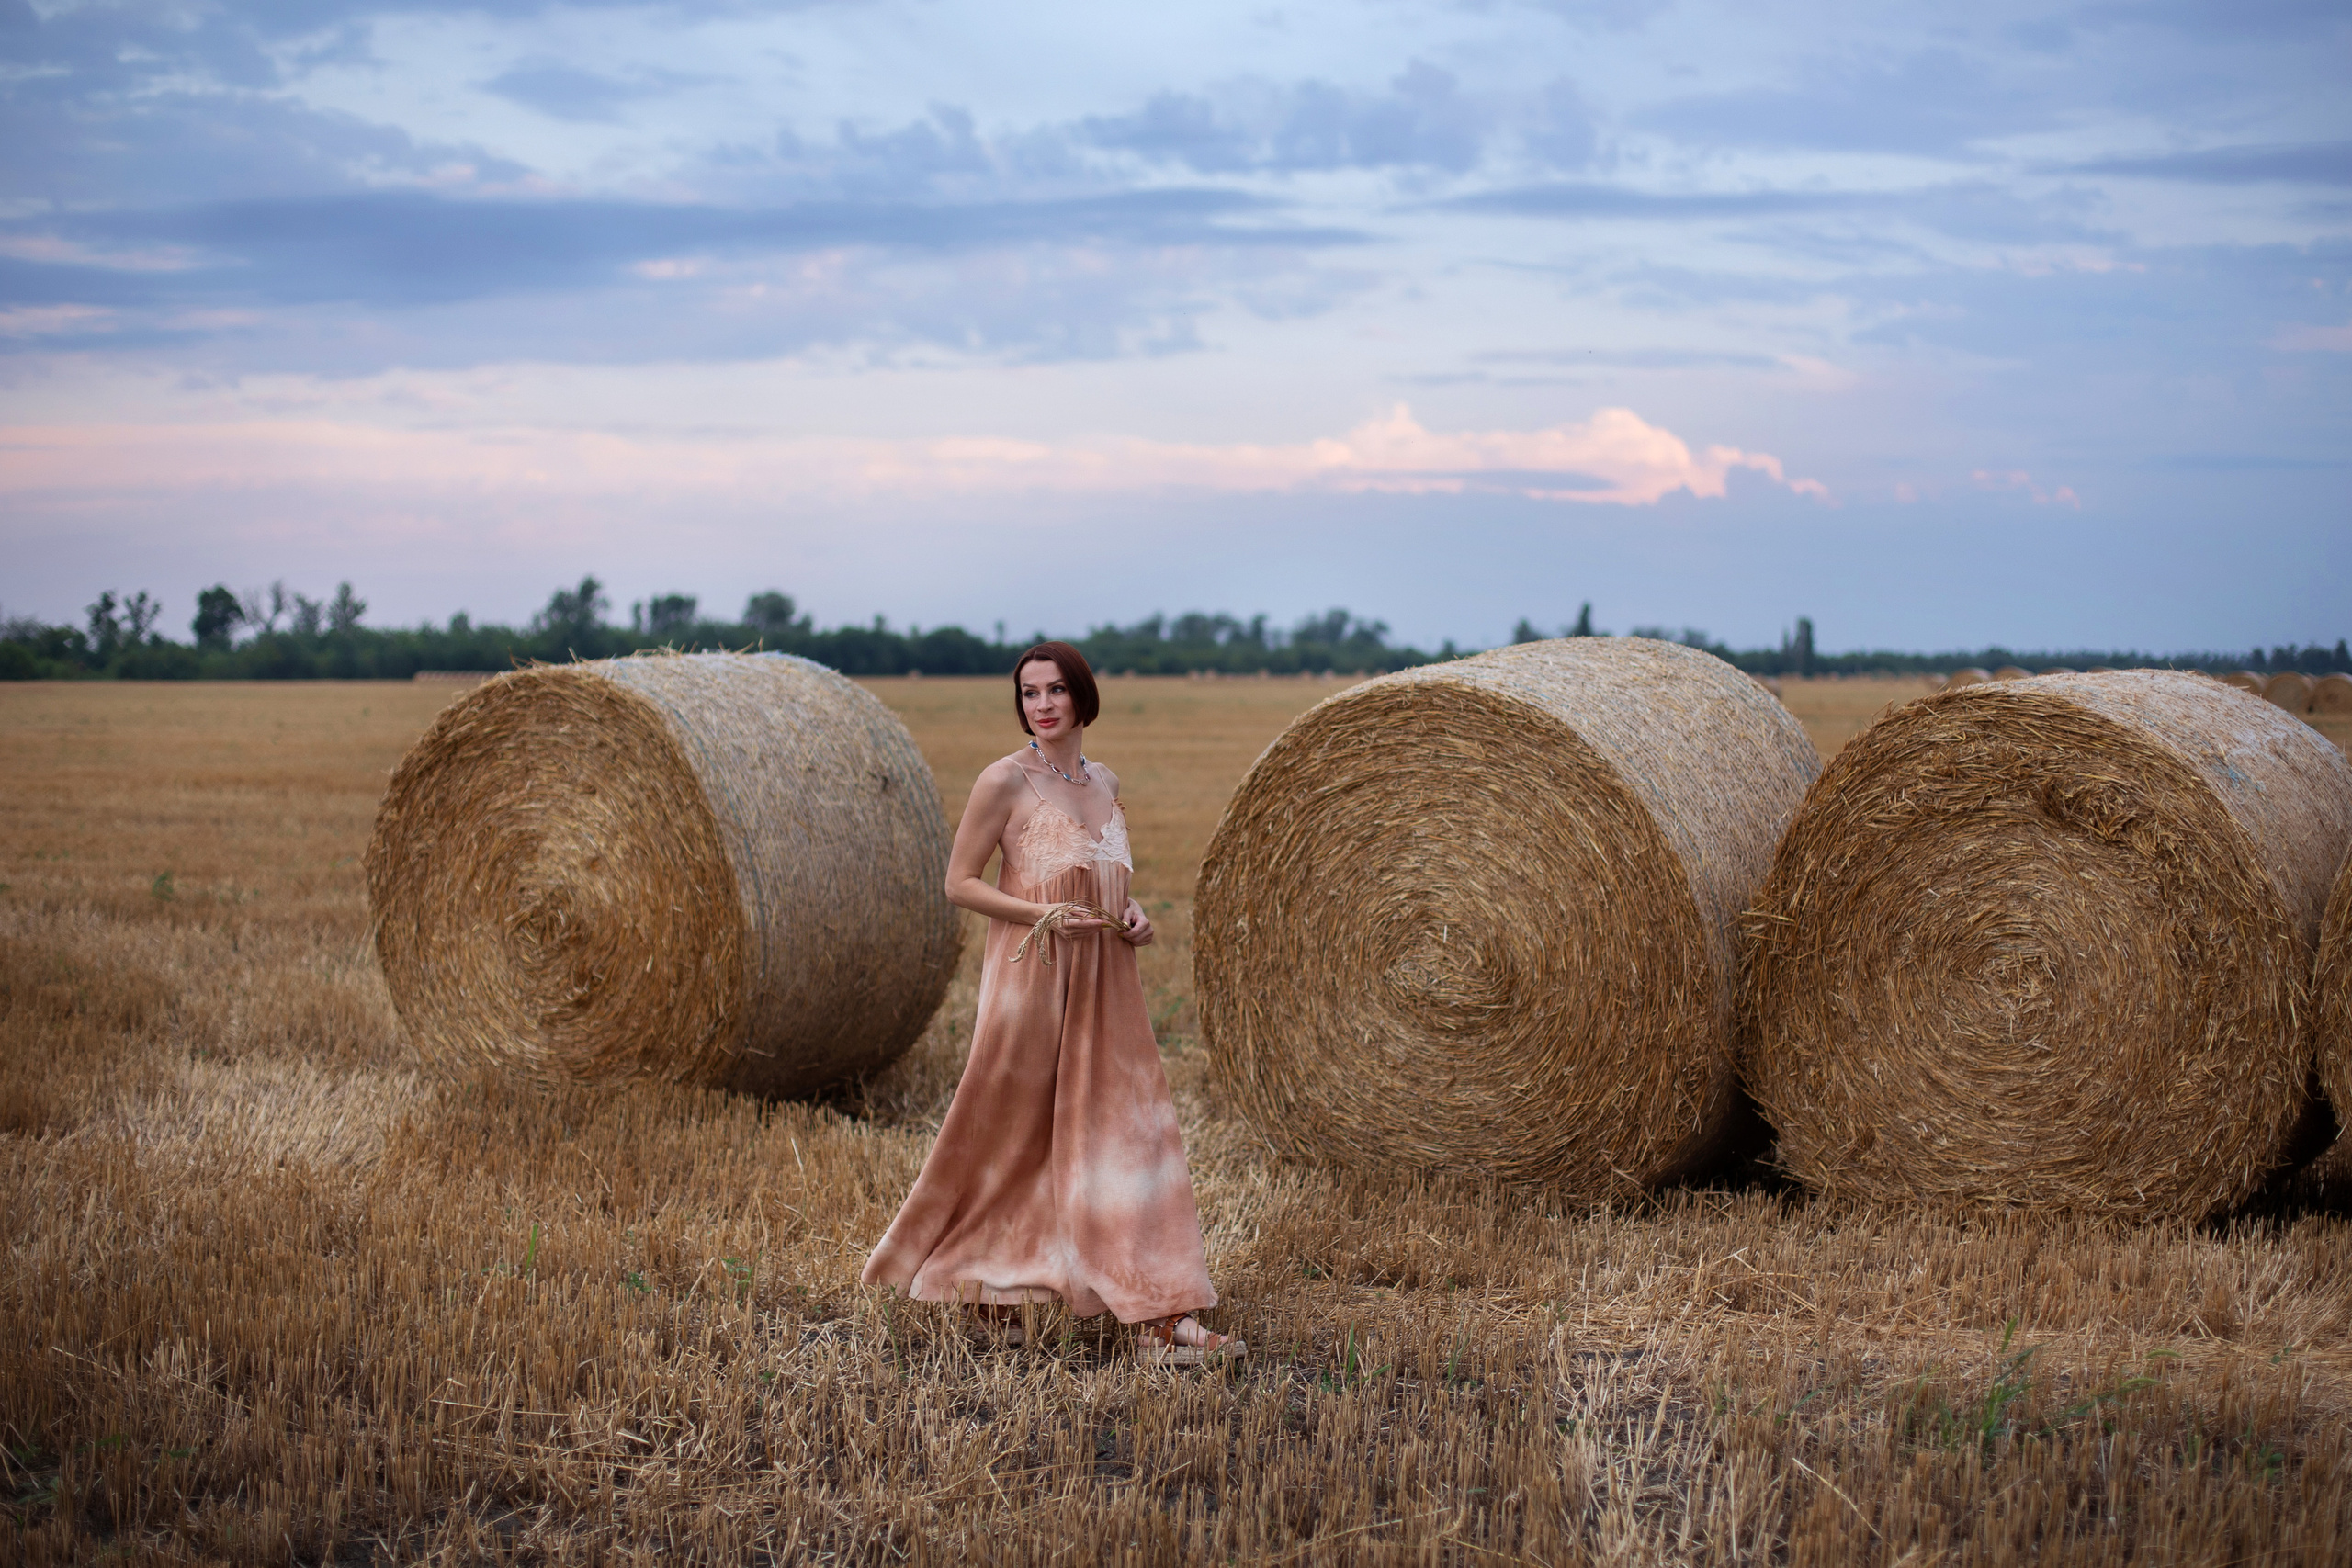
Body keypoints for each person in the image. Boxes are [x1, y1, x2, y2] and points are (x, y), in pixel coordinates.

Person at [861, 641, 1240, 1365]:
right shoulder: (1003, 781)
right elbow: (959, 882)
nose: (1041, 703)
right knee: (1015, 1136)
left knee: (1135, 1132)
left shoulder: (1107, 782)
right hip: (1031, 975)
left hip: (1108, 980)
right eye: (1029, 692)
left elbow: (1111, 886)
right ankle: (982, 1287)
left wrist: (1134, 918)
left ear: (1082, 697)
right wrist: (1034, 913)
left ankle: (1160, 1316)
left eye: (1056, 689)